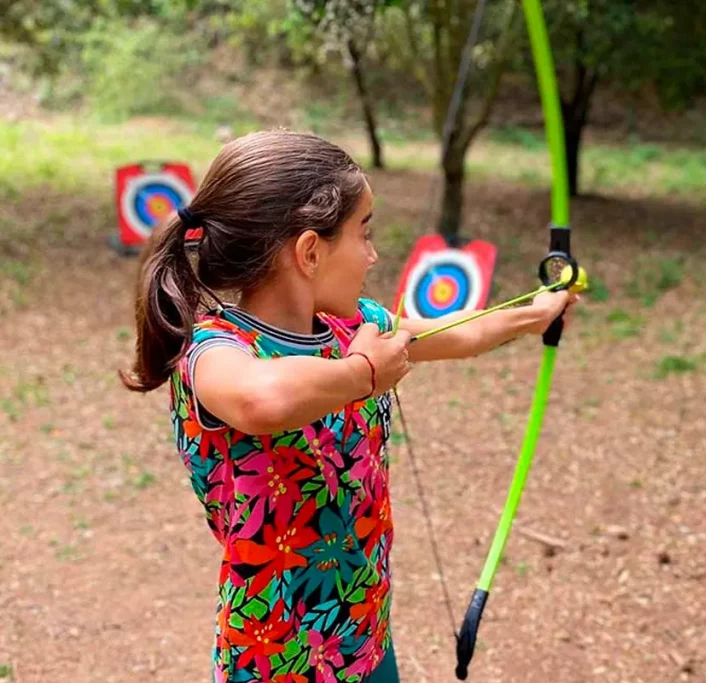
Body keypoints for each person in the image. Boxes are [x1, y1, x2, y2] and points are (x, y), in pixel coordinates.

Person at [120, 130, 579, 683]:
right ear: (310, 251)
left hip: (364, 636)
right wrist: (359, 375)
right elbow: (260, 399)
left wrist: (536, 312)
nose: (374, 254)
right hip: (275, 656)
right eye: (364, 233)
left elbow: (454, 333)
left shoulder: (353, 327)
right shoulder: (215, 351)